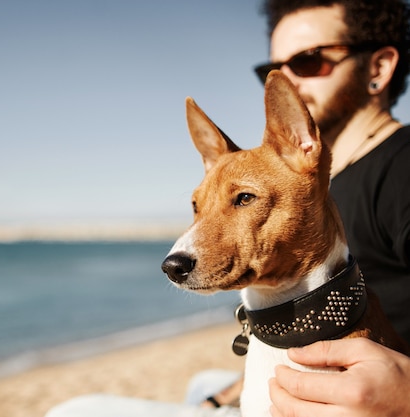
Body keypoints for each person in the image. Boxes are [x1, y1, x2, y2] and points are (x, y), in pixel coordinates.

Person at [46, 0, 410, 415]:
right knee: (202, 383)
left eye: (309, 61)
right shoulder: (316, 177)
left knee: (75, 410)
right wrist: (231, 395)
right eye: (271, 68)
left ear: (379, 67)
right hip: (278, 358)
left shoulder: (400, 166)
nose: (286, 77)